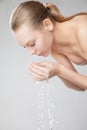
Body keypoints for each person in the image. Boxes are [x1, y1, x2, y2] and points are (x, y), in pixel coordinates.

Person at [10, 0, 87, 91]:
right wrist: (55, 72)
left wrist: (59, 70)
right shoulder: (54, 49)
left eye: (32, 44)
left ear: (47, 24)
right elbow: (79, 87)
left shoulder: (83, 29)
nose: (31, 52)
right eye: (25, 46)